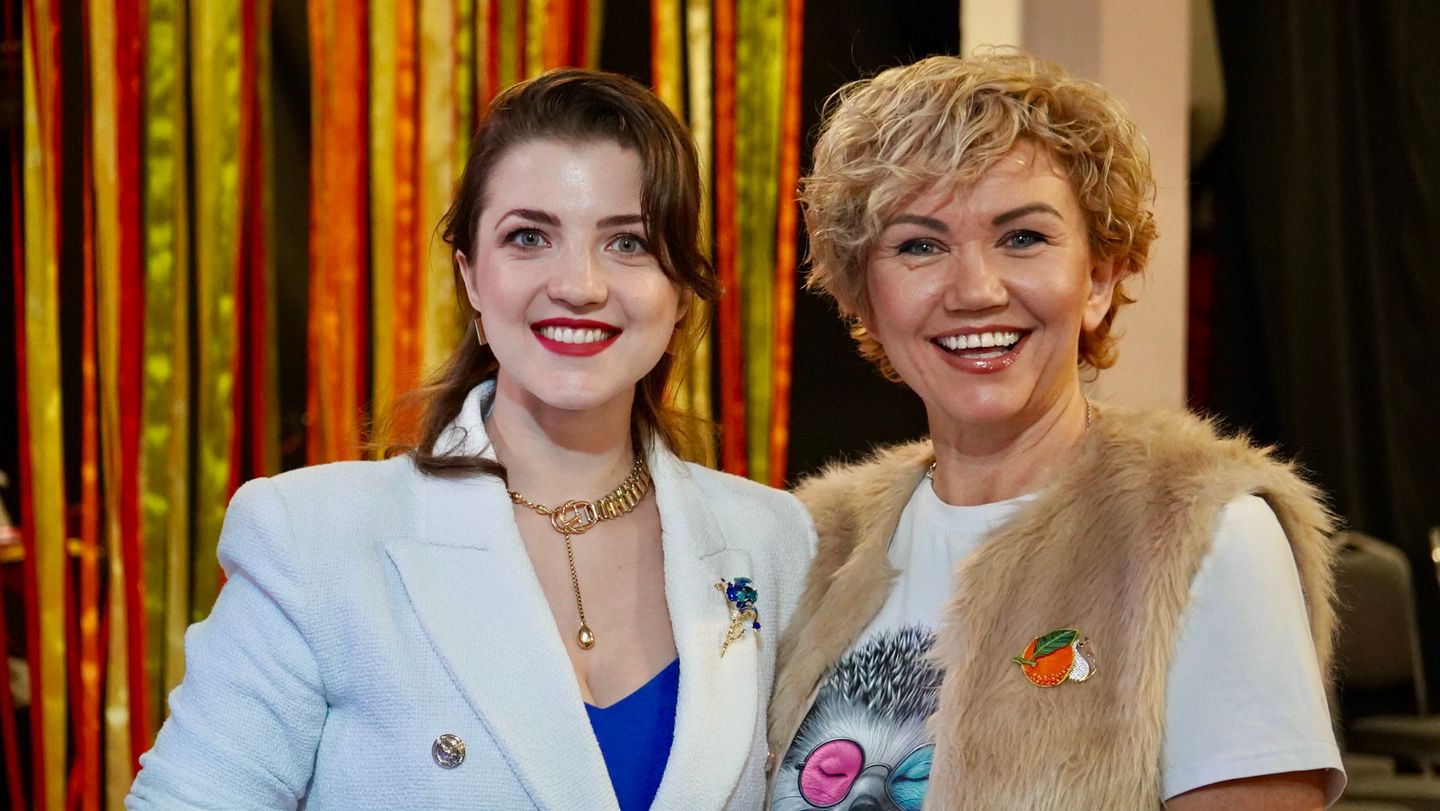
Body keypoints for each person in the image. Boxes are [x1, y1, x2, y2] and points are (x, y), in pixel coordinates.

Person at [128, 69, 814, 810]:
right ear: (472, 279)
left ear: (680, 292)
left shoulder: (777, 541)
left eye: (628, 242)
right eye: (529, 237)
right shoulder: (312, 538)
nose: (579, 284)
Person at [766, 53, 1342, 810]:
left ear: (1099, 279)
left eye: (1022, 238)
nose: (975, 290)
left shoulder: (1201, 534)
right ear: (863, 298)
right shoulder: (808, 546)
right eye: (919, 245)